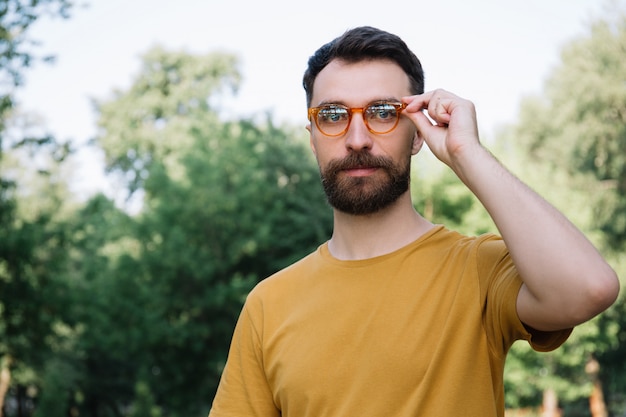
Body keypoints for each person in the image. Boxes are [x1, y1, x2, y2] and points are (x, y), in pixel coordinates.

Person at [208, 26, 619, 417]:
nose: (357, 138)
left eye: (383, 112)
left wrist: (465, 153)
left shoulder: (478, 270)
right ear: (313, 136)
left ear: (418, 132)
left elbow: (589, 288)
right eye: (333, 115)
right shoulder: (268, 304)